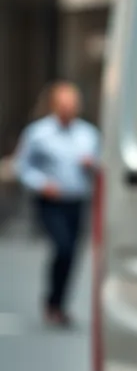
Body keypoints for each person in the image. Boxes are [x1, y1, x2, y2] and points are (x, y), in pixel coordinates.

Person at [14, 81, 100, 327]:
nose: (68, 109)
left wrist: (91, 165)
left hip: (77, 200)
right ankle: (52, 300)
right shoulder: (38, 133)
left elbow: (101, 166)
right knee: (62, 247)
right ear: (54, 105)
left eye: (72, 105)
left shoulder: (88, 134)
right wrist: (41, 184)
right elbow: (23, 167)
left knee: (72, 254)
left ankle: (59, 305)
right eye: (64, 104)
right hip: (51, 202)